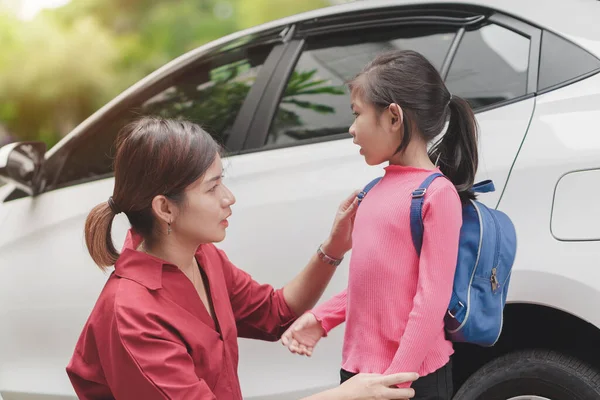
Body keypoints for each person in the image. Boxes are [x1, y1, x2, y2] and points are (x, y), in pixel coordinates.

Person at [65, 116, 418, 400]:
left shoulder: (203, 258)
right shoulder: (132, 316)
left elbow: (275, 313)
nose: (228, 198)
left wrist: (334, 247)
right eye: (212, 187)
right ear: (165, 208)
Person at [281, 49, 480, 400]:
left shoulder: (436, 194)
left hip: (410, 378)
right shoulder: (373, 190)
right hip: (358, 375)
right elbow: (375, 283)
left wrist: (397, 380)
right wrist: (322, 317)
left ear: (393, 118)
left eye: (358, 114)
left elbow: (431, 299)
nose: (352, 128)